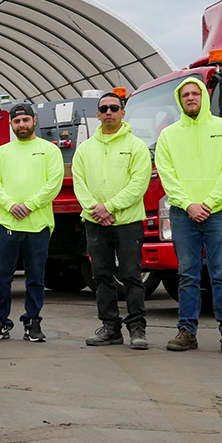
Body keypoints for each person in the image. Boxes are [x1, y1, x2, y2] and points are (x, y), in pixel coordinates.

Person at [154, 77, 222, 354]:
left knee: (221, 275)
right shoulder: (169, 135)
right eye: (185, 95)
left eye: (195, 93)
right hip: (183, 213)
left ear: (204, 96)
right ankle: (186, 331)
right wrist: (188, 204)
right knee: (187, 275)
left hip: (219, 213)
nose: (191, 98)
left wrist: (210, 203)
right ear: (179, 101)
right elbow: (167, 175)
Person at [75, 93, 153, 349]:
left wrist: (108, 207)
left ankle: (137, 329)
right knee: (102, 276)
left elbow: (138, 185)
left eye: (113, 108)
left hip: (128, 223)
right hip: (95, 223)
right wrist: (95, 210)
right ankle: (110, 327)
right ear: (97, 115)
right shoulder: (85, 149)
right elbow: (80, 184)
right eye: (103, 108)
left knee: (131, 276)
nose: (108, 112)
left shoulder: (136, 146)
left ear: (122, 113)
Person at [0, 103, 64, 342]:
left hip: (37, 226)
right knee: (1, 277)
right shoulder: (2, 153)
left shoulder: (49, 151)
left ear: (35, 121)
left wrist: (30, 205)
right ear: (11, 124)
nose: (22, 125)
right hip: (7, 226)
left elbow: (54, 183)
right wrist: (10, 205)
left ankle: (33, 321)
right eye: (17, 122)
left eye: (25, 120)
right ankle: (0, 321)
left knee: (34, 278)